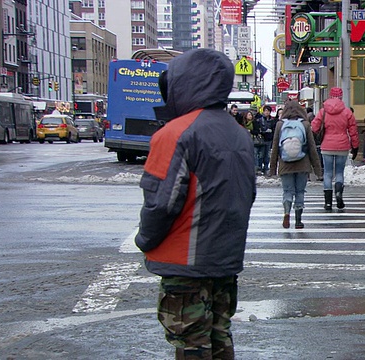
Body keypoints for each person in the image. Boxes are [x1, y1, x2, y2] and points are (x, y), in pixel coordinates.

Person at [134, 49, 256, 360]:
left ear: (183, 85)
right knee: (219, 333)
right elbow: (247, 195)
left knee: (191, 341)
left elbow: (161, 203)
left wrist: (144, 240)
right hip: (224, 259)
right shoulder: (239, 134)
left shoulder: (175, 133)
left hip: (185, 261)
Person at [269, 100, 322, 228]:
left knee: (287, 191)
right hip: (302, 164)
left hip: (285, 164)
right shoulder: (305, 124)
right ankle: (298, 220)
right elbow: (312, 147)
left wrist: (272, 168)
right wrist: (317, 170)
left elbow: (275, 146)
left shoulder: (280, 125)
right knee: (300, 191)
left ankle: (287, 213)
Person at [311, 87, 359, 210]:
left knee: (327, 173)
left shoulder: (323, 111)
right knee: (339, 172)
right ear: (341, 97)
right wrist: (355, 146)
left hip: (327, 145)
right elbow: (353, 131)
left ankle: (327, 202)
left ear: (330, 96)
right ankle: (338, 193)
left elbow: (314, 127)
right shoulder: (347, 112)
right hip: (342, 146)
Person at [258, 105, 277, 175]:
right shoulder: (260, 119)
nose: (266, 112)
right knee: (261, 154)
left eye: (268, 111)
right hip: (261, 139)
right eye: (265, 111)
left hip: (269, 139)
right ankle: (260, 168)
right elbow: (258, 128)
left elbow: (274, 129)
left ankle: (266, 168)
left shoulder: (272, 120)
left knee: (267, 155)